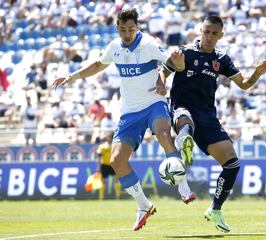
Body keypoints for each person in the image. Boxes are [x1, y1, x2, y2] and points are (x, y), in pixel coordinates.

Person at [51, 7, 195, 231]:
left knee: (164, 135)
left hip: (153, 104)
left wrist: (178, 61)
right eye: (123, 29)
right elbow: (99, 64)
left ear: (137, 27)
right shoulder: (114, 47)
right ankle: (144, 205)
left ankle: (183, 187)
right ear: (117, 27)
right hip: (129, 112)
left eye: (131, 29)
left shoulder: (148, 44)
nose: (127, 34)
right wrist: (72, 76)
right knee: (117, 161)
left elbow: (176, 65)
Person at [160, 16, 266, 232]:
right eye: (206, 32)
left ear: (220, 35)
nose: (209, 37)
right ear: (200, 31)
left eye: (214, 33)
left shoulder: (222, 59)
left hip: (208, 117)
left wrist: (257, 73)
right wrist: (160, 83)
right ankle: (185, 144)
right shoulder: (184, 52)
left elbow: (245, 84)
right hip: (182, 107)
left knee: (232, 163)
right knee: (185, 122)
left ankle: (215, 209)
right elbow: (163, 72)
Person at [96, 133, 121, 200]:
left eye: (110, 137)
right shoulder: (102, 146)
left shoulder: (116, 145)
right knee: (103, 181)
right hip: (105, 165)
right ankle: (101, 197)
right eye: (108, 137)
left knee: (116, 180)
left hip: (114, 164)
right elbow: (99, 156)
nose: (108, 138)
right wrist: (98, 166)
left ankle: (118, 196)